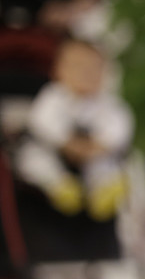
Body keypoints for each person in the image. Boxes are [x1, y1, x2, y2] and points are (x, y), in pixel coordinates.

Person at [15, 38, 132, 220]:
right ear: (59, 71)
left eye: (95, 68)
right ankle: (59, 186)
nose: (87, 74)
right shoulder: (53, 96)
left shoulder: (107, 102)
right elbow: (42, 122)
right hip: (53, 150)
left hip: (92, 152)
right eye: (79, 67)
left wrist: (100, 145)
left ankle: (104, 190)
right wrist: (66, 142)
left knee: (104, 165)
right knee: (34, 160)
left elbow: (119, 126)